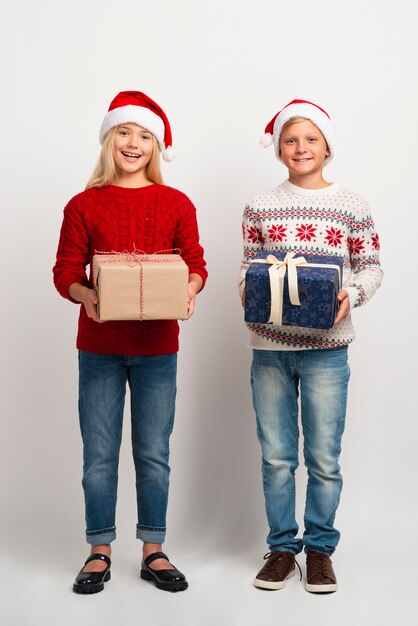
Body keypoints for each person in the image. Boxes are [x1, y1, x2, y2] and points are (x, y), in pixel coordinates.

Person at [53, 90, 207, 594]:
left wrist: (189, 287)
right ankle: (99, 550)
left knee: (153, 451)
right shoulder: (83, 204)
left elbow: (197, 265)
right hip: (98, 345)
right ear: (108, 139)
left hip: (159, 347)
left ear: (156, 147)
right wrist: (85, 295)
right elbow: (65, 272)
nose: (133, 143)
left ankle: (153, 550)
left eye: (144, 136)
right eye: (124, 132)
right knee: (99, 453)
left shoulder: (177, 203)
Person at [239, 99, 382, 593]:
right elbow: (247, 265)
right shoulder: (259, 204)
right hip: (270, 348)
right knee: (278, 456)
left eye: (310, 139)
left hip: (327, 348)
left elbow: (371, 266)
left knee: (323, 455)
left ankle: (319, 549)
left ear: (327, 146)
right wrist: (249, 287)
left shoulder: (352, 205)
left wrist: (353, 294)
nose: (301, 148)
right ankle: (282, 549)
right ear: (279, 147)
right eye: (291, 140)